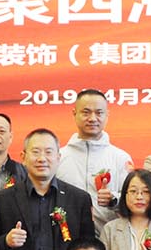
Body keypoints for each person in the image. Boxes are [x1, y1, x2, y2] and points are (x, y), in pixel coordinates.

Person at [0, 128, 95, 250]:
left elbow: (88, 247)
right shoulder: (2, 200)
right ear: (23, 157)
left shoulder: (79, 199)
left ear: (58, 157)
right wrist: (6, 241)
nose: (42, 158)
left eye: (48, 152)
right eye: (36, 152)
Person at [55, 89, 134, 228]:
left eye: (99, 113)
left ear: (107, 115)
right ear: (74, 113)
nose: (92, 118)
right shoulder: (58, 157)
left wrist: (113, 199)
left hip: (107, 236)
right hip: (66, 235)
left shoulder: (121, 158)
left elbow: (135, 199)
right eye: (86, 112)